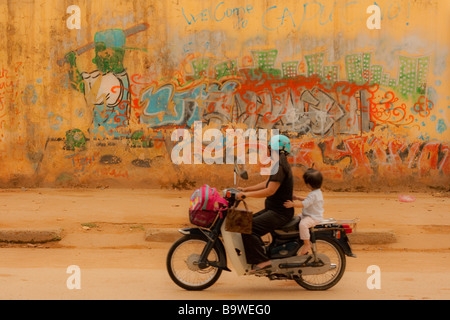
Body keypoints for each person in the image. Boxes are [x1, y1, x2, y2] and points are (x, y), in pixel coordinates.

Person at [236, 135, 294, 272]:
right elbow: (268, 183)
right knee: (244, 224)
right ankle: (260, 253)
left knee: (248, 228)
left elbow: (270, 190)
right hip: (275, 210)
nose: (267, 151)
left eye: (269, 148)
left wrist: (246, 195)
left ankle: (263, 261)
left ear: (275, 149)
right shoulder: (278, 164)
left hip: (279, 213)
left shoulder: (279, 166)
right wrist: (246, 189)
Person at [284, 168, 324, 255]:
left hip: (313, 217)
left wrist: (293, 204)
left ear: (309, 184)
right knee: (297, 218)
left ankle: (306, 244)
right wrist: (298, 197)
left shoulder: (313, 194)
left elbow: (305, 203)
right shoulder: (317, 192)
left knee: (303, 224)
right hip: (309, 215)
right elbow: (308, 200)